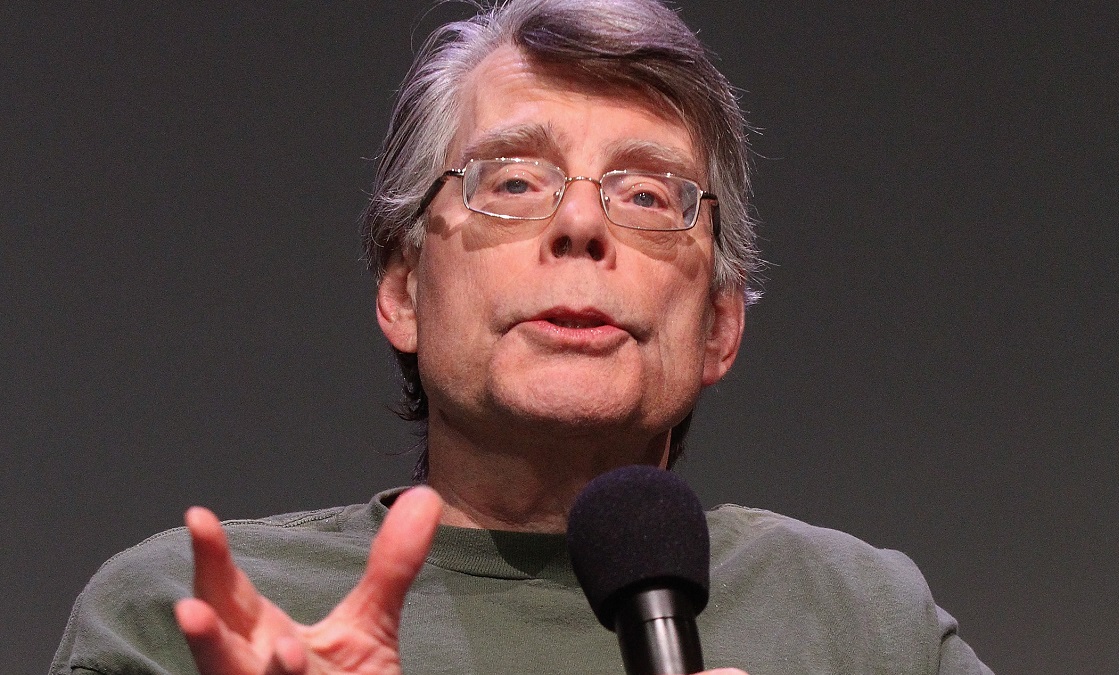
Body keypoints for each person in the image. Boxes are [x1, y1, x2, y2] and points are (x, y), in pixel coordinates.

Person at [51, 1, 992, 673]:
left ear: (719, 323)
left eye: (647, 196)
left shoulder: (865, 621)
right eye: (510, 182)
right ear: (403, 289)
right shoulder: (189, 616)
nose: (581, 224)